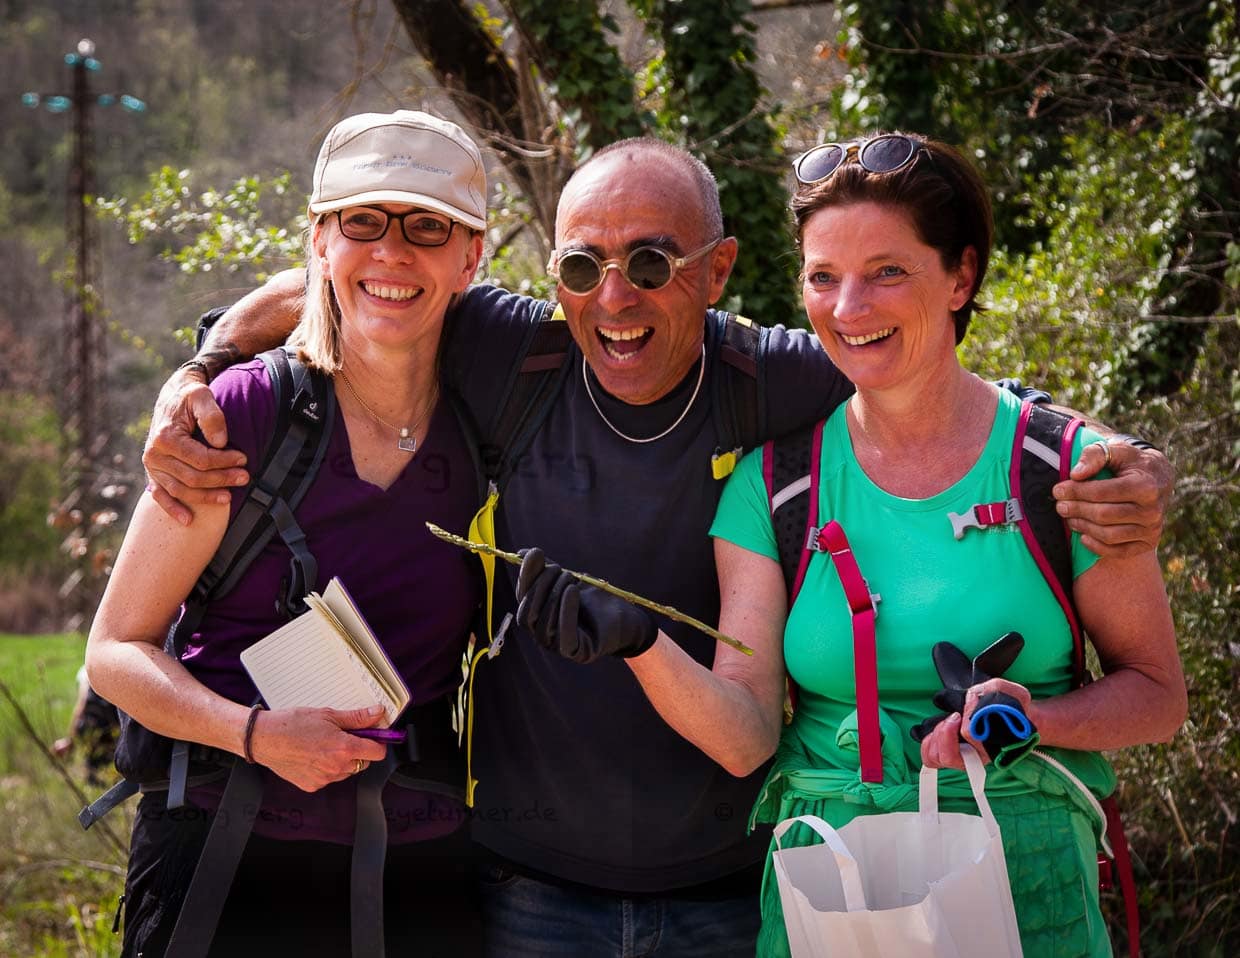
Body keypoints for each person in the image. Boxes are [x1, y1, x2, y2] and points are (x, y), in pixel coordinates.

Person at [140, 137, 1175, 957]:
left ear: (717, 270)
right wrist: (206, 364)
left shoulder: (773, 379)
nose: (613, 297)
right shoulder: (518, 352)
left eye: (648, 262)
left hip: (732, 880)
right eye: (582, 265)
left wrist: (1107, 453)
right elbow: (362, 280)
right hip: (522, 886)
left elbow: (919, 370)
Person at [514, 133, 1188, 957]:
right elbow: (745, 737)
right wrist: (641, 642)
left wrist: (1033, 720)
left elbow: (1157, 697)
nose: (848, 309)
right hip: (832, 895)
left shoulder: (1067, 470)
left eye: (888, 273)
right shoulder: (775, 487)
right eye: (823, 277)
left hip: (1026, 883)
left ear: (962, 277)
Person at [86, 110, 487, 957]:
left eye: (428, 227)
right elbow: (116, 650)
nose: (392, 252)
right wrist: (254, 733)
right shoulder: (247, 413)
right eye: (363, 222)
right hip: (225, 853)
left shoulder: (493, 409)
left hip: (416, 862)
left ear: (472, 257)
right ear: (319, 240)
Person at [52, 664, 119, 786]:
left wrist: (70, 739)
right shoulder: (113, 665)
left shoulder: (87, 670)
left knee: (94, 777)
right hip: (114, 729)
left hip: (93, 730)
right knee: (114, 775)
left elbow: (81, 705)